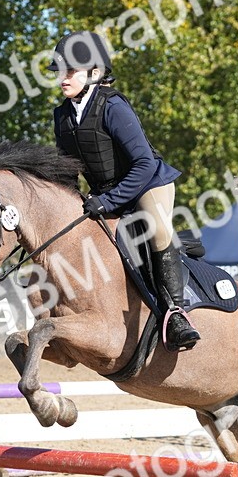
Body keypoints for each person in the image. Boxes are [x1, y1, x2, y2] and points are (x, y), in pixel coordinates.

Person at [48, 31, 200, 351]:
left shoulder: (112, 106)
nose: (63, 78)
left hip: (148, 184)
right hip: (104, 193)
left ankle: (176, 313)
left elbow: (143, 163)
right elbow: (67, 170)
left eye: (71, 71)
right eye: (61, 71)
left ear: (94, 73)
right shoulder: (61, 115)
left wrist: (108, 201)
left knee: (156, 229)